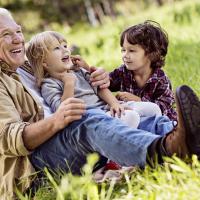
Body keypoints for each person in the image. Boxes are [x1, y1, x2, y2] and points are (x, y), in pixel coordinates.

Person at [0, 8, 200, 199]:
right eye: (6, 34)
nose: (18, 38)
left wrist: (96, 78)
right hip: (37, 168)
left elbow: (66, 68)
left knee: (143, 119)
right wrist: (57, 121)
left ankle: (187, 140)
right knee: (88, 119)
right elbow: (9, 139)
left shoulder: (27, 62)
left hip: (74, 138)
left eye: (18, 30)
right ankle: (167, 151)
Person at [26, 31, 162, 130]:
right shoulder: (49, 84)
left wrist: (115, 103)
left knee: (153, 108)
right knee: (131, 117)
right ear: (44, 62)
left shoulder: (78, 71)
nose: (65, 50)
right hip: (94, 119)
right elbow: (62, 111)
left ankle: (158, 135)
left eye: (65, 46)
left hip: (108, 108)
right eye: (57, 48)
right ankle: (116, 160)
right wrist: (69, 84)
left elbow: (100, 88)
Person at [109, 20, 177, 121]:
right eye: (123, 50)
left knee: (166, 123)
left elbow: (164, 107)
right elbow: (105, 82)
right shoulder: (123, 72)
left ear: (151, 53)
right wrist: (88, 69)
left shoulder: (160, 79)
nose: (125, 55)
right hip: (134, 119)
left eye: (131, 50)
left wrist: (138, 100)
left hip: (157, 120)